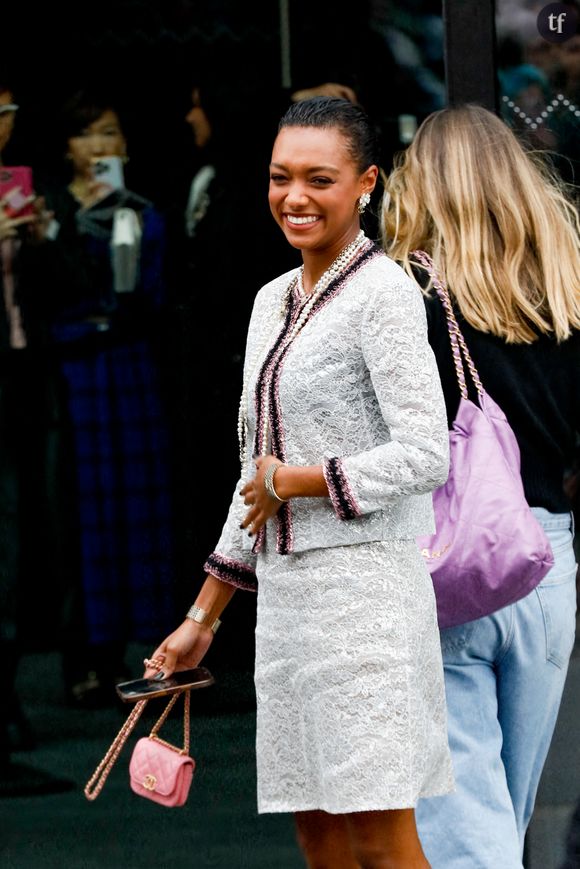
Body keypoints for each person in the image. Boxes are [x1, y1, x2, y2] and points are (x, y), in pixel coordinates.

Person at [144, 95, 454, 867]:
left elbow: (426, 452)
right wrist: (203, 617)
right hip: (287, 611)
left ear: (367, 183)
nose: (295, 196)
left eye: (320, 178)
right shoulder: (269, 300)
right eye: (281, 177)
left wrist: (303, 477)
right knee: (316, 836)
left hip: (368, 601)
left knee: (383, 842)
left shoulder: (385, 293)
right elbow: (255, 478)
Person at [380, 103, 580, 868]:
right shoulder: (564, 292)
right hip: (544, 561)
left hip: (443, 564)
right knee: (508, 808)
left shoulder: (403, 297)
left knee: (468, 827)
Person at [41, 89, 177, 704]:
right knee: (80, 512)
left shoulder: (141, 210)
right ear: (68, 148)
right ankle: (85, 655)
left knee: (142, 511)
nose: (102, 147)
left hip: (130, 363)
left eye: (111, 134)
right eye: (89, 135)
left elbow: (148, 295)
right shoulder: (42, 209)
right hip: (71, 370)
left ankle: (151, 652)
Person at [0, 83, 77, 795]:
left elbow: (65, 291)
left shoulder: (23, 192)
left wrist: (40, 241)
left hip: (23, 386)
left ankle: (9, 699)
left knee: (20, 545)